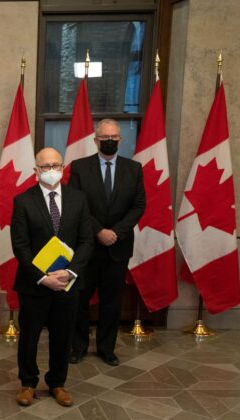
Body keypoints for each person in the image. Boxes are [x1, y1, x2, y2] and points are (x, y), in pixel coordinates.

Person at [11, 147, 93, 407]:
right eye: (45, 166)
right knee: (29, 337)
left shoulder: (79, 199)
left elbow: (86, 241)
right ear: (36, 171)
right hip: (34, 284)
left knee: (63, 335)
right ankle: (28, 383)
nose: (50, 170)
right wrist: (42, 277)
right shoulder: (23, 201)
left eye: (55, 165)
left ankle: (57, 383)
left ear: (63, 167)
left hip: (67, 284)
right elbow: (20, 246)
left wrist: (70, 273)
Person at [68, 119, 145, 367]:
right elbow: (76, 204)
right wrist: (99, 230)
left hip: (118, 247)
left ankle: (106, 349)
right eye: (104, 137)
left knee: (111, 302)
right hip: (88, 246)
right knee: (79, 300)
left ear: (120, 139)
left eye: (114, 137)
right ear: (96, 140)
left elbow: (138, 206)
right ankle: (78, 347)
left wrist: (116, 232)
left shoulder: (134, 169)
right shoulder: (80, 167)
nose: (109, 140)